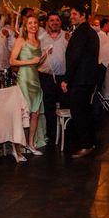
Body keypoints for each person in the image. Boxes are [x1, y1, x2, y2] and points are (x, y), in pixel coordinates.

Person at [62, 5, 100, 158]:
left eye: (74, 13)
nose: (71, 16)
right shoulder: (88, 32)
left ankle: (87, 144)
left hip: (80, 79)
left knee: (78, 112)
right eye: (71, 14)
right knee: (85, 111)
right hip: (87, 78)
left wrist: (66, 78)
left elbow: (75, 57)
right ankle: (90, 142)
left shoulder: (82, 32)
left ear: (83, 16)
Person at [10, 15, 46, 157]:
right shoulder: (21, 40)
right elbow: (12, 61)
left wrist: (44, 56)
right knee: (21, 114)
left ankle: (30, 144)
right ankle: (17, 149)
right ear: (25, 26)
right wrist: (30, 61)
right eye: (30, 23)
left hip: (35, 80)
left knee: (35, 114)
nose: (33, 25)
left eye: (35, 22)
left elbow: (37, 63)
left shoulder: (38, 41)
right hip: (24, 79)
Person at [38, 12, 69, 145]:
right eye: (52, 20)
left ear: (60, 22)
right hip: (46, 77)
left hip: (63, 78)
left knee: (65, 105)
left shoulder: (67, 37)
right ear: (47, 23)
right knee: (48, 106)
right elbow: (37, 60)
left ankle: (65, 133)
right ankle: (52, 134)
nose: (54, 22)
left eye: (57, 20)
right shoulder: (41, 38)